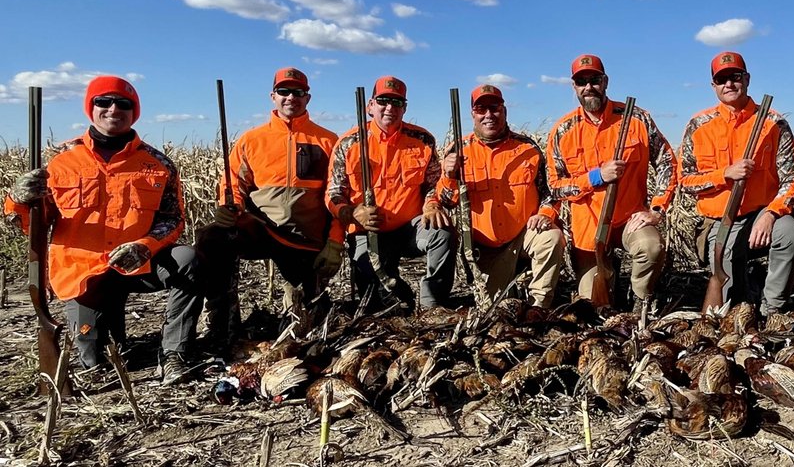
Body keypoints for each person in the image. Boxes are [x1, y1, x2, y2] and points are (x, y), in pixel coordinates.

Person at [4, 76, 202, 384]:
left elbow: (173, 219)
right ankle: (107, 338)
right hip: (83, 272)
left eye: (124, 104)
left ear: (134, 112)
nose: (113, 109)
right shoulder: (60, 161)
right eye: (103, 101)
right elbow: (33, 224)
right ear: (90, 107)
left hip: (139, 265)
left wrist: (145, 245)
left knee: (188, 259)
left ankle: (175, 354)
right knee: (95, 366)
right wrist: (17, 200)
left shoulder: (158, 163)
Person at [197, 67, 343, 338]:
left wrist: (334, 241)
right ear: (273, 96)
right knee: (213, 238)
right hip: (261, 230)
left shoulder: (328, 141)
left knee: (306, 324)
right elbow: (233, 183)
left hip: (304, 238)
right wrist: (229, 207)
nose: (291, 97)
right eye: (284, 91)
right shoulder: (252, 140)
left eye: (298, 92)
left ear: (307, 98)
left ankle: (304, 305)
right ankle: (222, 324)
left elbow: (339, 195)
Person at [547, 54, 677, 309]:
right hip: (589, 230)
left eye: (594, 79)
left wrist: (657, 209)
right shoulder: (563, 130)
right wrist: (595, 177)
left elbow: (667, 162)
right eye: (581, 81)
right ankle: (608, 273)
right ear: (574, 87)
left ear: (605, 81)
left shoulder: (636, 118)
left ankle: (640, 298)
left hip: (630, 218)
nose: (589, 87)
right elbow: (554, 185)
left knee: (650, 247)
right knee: (593, 304)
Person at [678, 51, 794, 312]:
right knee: (727, 304)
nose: (729, 84)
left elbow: (793, 179)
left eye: (735, 77)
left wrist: (771, 214)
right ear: (713, 86)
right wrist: (724, 174)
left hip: (762, 214)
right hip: (721, 222)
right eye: (721, 79)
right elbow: (685, 181)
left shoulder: (772, 122)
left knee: (790, 232)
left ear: (746, 79)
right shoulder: (699, 125)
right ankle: (748, 286)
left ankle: (772, 309)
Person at [326, 75, 456, 308]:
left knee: (442, 231)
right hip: (369, 231)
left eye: (397, 103)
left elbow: (433, 184)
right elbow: (334, 194)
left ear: (404, 108)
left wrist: (432, 204)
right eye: (383, 101)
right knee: (377, 302)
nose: (390, 108)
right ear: (370, 106)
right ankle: (398, 289)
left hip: (410, 228)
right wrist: (353, 213)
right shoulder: (349, 143)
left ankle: (432, 304)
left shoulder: (422, 139)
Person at [434, 84, 564, 308]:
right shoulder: (458, 149)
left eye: (494, 108)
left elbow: (549, 192)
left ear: (504, 111)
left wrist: (545, 213)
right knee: (494, 308)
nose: (488, 115)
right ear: (473, 114)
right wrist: (448, 175)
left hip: (525, 235)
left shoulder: (527, 148)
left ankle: (539, 307)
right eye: (481, 109)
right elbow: (446, 201)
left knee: (551, 237)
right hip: (485, 248)